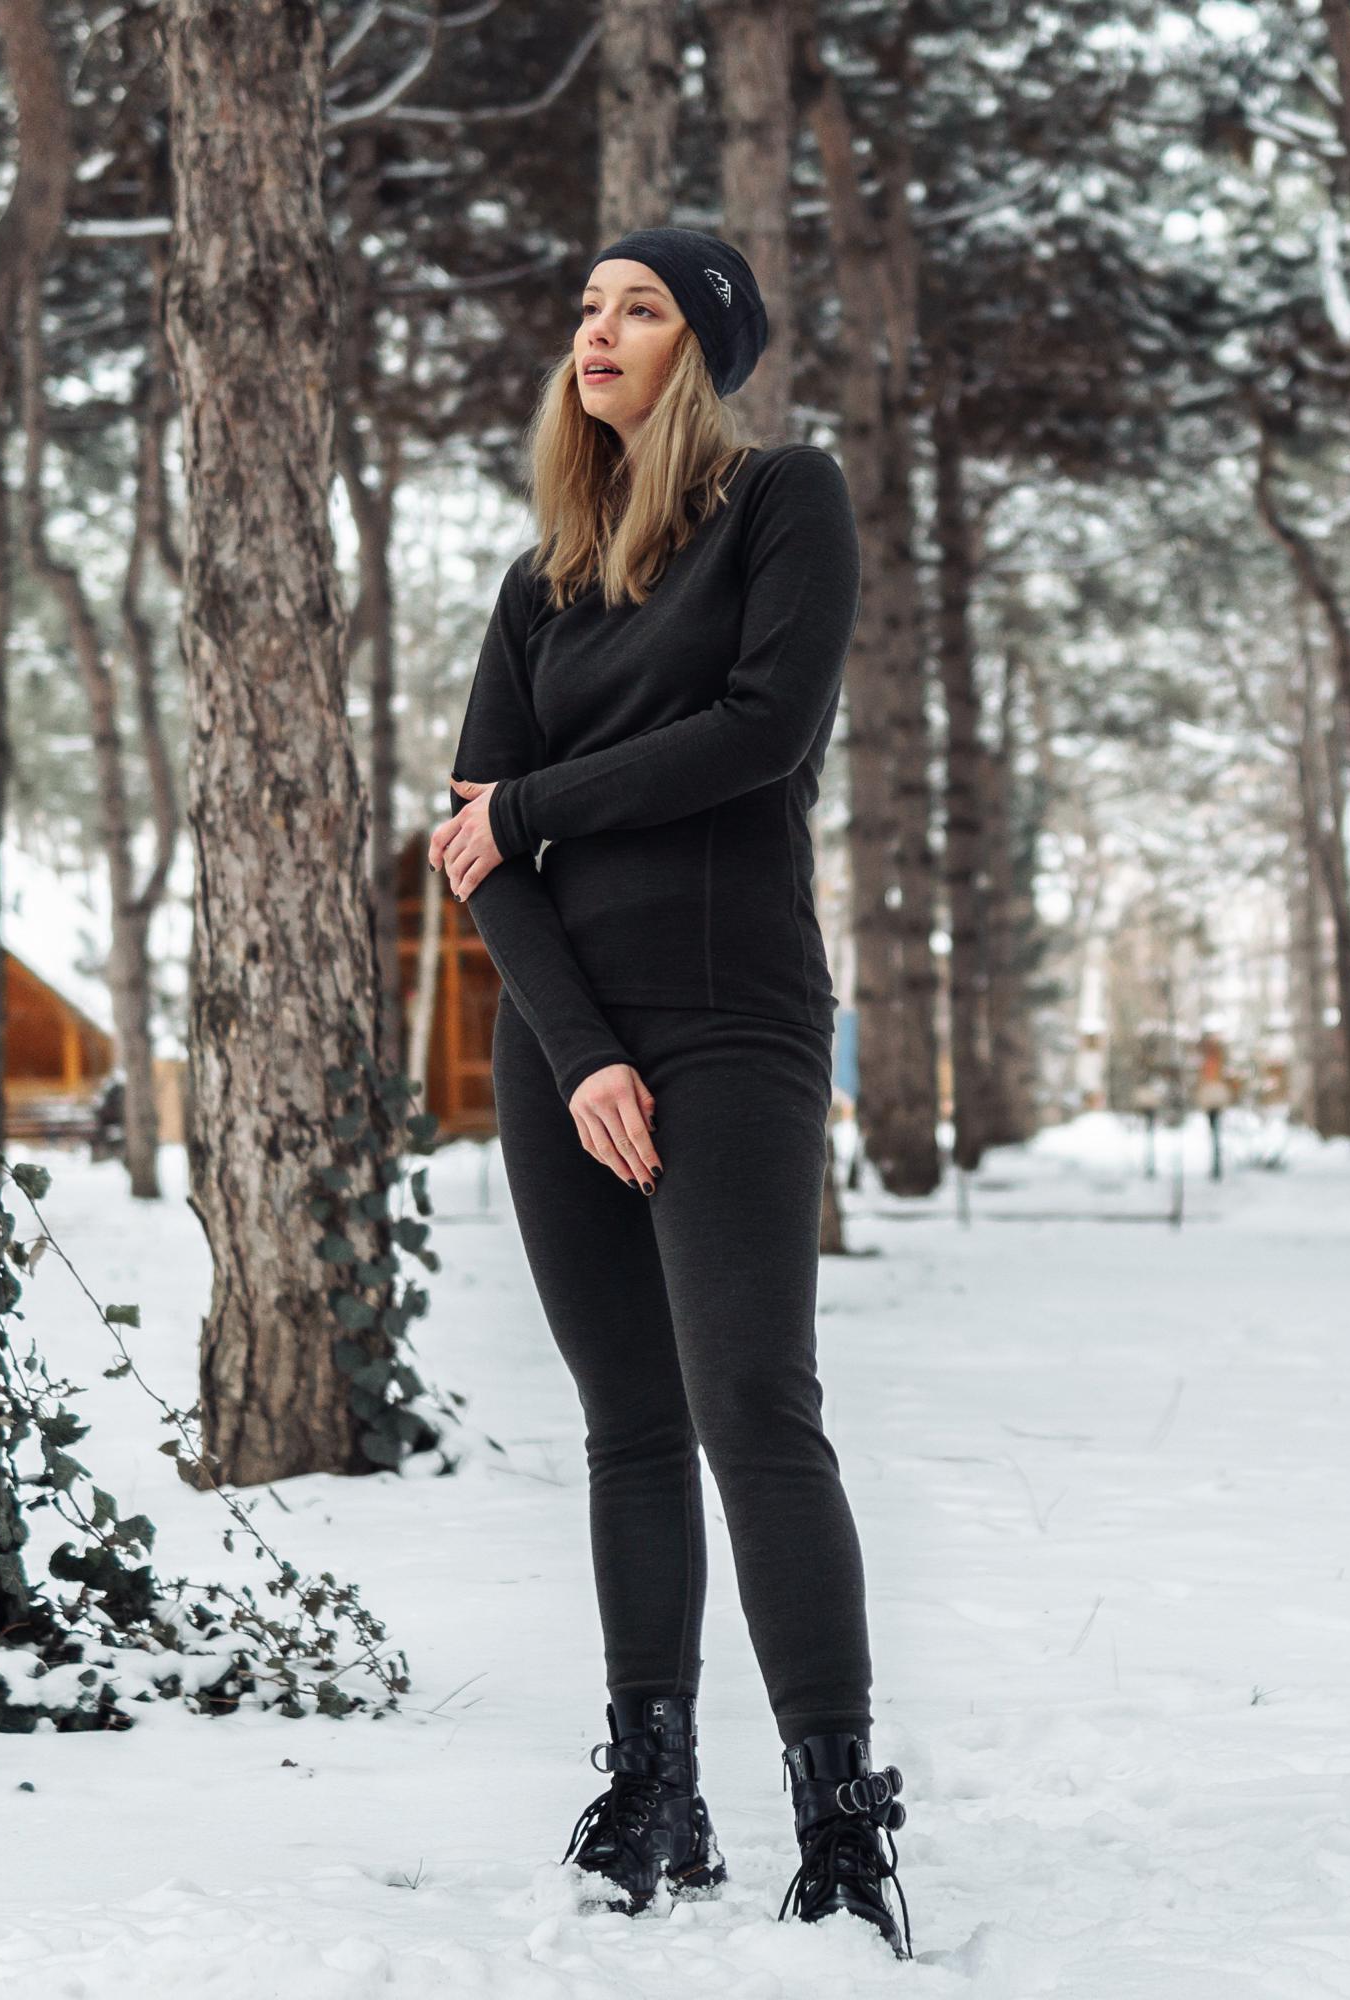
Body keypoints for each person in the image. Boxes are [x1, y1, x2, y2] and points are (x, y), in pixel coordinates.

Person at [424, 226, 910, 1959]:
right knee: (627, 1426)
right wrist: (581, 1051)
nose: (599, 331)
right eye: (586, 307)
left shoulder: (786, 503)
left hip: (734, 1016)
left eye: (639, 308)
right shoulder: (540, 583)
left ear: (702, 349)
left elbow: (761, 731)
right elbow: (472, 855)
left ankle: (841, 1825)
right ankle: (655, 1789)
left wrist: (536, 807)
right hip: (570, 1045)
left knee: (754, 1408)